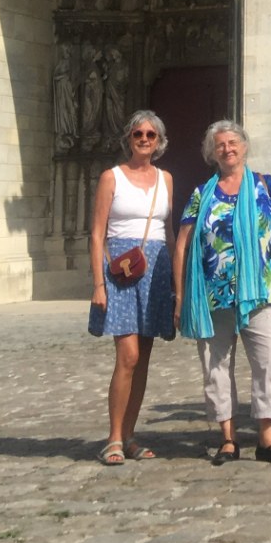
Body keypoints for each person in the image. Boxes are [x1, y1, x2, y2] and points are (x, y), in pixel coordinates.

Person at [173, 119, 271, 466]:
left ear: (244, 146)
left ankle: (268, 438)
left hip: (260, 293)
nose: (227, 149)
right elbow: (183, 245)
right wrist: (182, 295)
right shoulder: (202, 193)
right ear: (212, 154)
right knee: (215, 368)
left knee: (269, 363)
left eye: (233, 142)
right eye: (220, 145)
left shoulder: (268, 186)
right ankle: (227, 438)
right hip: (212, 297)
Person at [87, 109, 176, 464]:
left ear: (159, 141)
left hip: (156, 270)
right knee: (128, 356)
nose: (143, 139)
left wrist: (176, 282)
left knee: (144, 359)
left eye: (150, 135)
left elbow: (168, 233)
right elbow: (96, 234)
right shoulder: (112, 177)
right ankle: (112, 437)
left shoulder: (166, 179)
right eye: (138, 133)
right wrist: (98, 284)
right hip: (122, 270)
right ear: (128, 138)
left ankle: (129, 436)